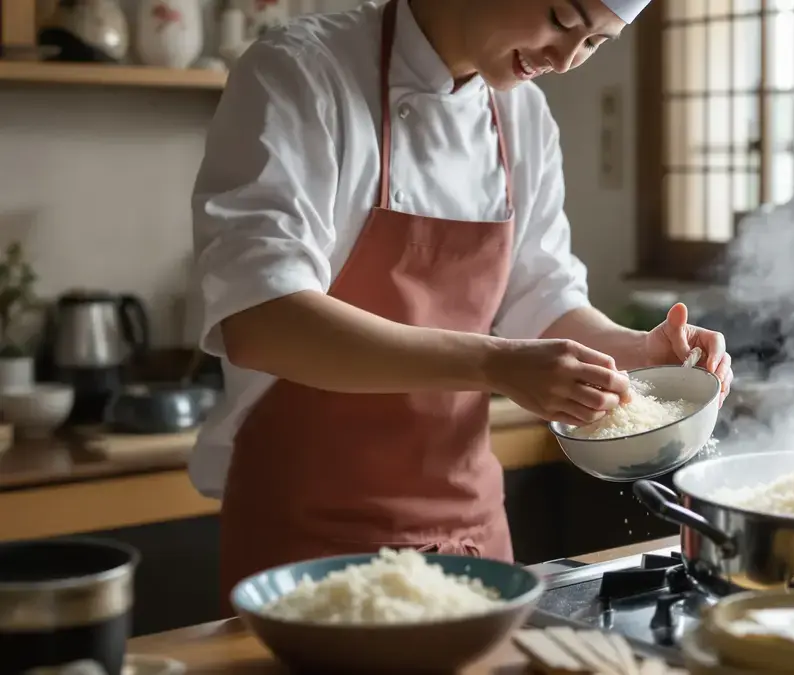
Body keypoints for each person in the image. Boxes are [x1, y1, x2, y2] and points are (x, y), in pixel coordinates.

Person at [189, 0, 734, 608]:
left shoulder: (521, 113)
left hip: (471, 530)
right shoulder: (303, 71)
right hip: (312, 538)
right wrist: (494, 364)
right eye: (560, 19)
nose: (564, 60)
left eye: (595, 44)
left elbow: (542, 296)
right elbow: (262, 320)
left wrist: (640, 353)